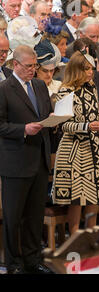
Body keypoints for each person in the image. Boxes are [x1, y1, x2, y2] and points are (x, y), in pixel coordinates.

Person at [51, 51, 99, 235]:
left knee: (96, 196)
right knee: (77, 199)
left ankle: (91, 236)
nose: (90, 73)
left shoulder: (91, 88)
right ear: (76, 70)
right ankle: (75, 237)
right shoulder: (65, 91)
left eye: (91, 69)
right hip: (75, 150)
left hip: (95, 147)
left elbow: (94, 117)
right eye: (86, 69)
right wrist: (87, 126)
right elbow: (64, 125)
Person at [0, 45, 52, 274]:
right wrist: (23, 129)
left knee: (34, 215)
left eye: (35, 65)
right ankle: (14, 263)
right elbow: (1, 125)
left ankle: (33, 260)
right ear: (15, 65)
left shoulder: (40, 85)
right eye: (29, 66)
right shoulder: (4, 89)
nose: (33, 70)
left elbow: (45, 115)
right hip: (16, 161)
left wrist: (53, 119)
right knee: (13, 217)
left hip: (39, 159)